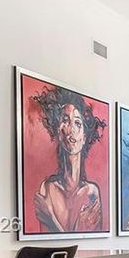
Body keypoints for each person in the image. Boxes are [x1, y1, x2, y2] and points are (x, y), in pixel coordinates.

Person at [32, 87, 105, 233]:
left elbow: (90, 247)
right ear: (58, 131)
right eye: (65, 120)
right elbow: (47, 246)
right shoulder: (47, 188)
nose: (71, 128)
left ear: (84, 138)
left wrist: (51, 218)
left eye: (78, 123)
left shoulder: (91, 192)